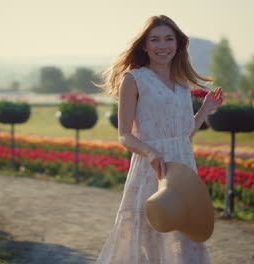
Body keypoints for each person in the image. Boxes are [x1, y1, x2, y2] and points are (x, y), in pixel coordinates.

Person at [95, 15, 223, 263]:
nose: (162, 45)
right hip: (152, 168)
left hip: (182, 169)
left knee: (184, 235)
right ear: (144, 45)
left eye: (168, 39)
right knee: (151, 236)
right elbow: (124, 135)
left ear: (178, 44)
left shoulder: (181, 83)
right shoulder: (133, 80)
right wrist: (151, 153)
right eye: (154, 39)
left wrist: (205, 110)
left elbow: (182, 136)